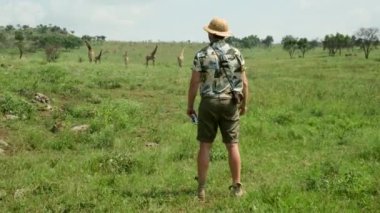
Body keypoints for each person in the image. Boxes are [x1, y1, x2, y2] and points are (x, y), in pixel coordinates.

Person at [187, 17, 249, 201]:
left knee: (205, 145)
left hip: (208, 102)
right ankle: (237, 187)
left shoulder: (201, 54)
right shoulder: (237, 53)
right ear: (224, 34)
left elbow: (194, 82)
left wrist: (190, 106)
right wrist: (244, 105)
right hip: (230, 102)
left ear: (210, 33)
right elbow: (244, 82)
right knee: (232, 145)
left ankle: (201, 189)